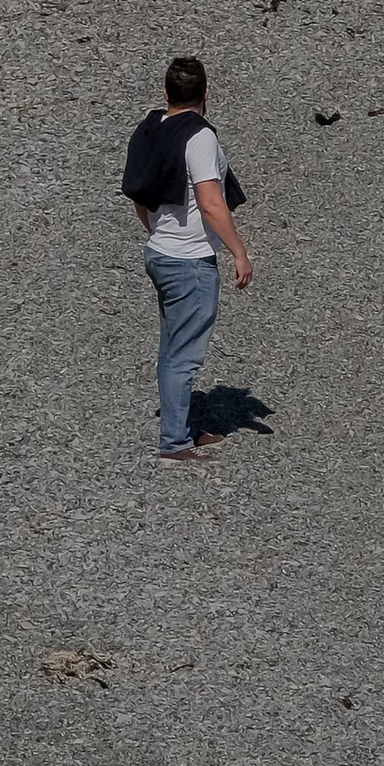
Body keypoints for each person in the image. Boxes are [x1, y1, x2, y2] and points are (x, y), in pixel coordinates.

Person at [123, 54, 252, 464]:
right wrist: (239, 252)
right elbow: (212, 204)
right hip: (189, 262)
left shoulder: (151, 128)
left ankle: (179, 426)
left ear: (166, 93)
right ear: (206, 94)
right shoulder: (199, 138)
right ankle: (174, 442)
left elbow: (139, 195)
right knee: (184, 355)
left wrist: (157, 232)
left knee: (172, 347)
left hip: (160, 253)